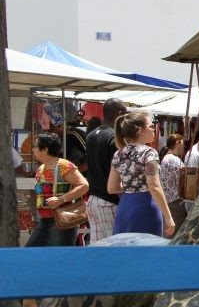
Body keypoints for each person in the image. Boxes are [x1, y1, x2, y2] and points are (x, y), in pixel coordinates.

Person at [109, 111, 175, 237]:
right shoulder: (150, 153)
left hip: (125, 206)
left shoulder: (119, 154)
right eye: (151, 126)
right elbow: (154, 186)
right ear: (141, 130)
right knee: (149, 252)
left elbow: (111, 188)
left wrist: (131, 185)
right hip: (146, 207)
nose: (154, 129)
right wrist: (168, 217)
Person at [26, 132, 90, 247]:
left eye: (35, 146)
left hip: (61, 221)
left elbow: (84, 185)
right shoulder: (41, 168)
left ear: (44, 150)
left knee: (60, 257)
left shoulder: (64, 166)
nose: (32, 150)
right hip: (45, 220)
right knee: (31, 252)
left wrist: (61, 199)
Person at [84, 98, 127, 243]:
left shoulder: (91, 135)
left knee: (97, 246)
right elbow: (117, 172)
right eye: (125, 114)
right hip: (109, 201)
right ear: (119, 114)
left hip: (92, 200)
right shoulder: (113, 138)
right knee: (114, 245)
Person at [159, 134, 188, 229]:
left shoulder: (165, 159)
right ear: (177, 143)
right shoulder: (174, 160)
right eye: (182, 144)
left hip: (168, 201)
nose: (183, 147)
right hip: (176, 202)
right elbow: (185, 181)